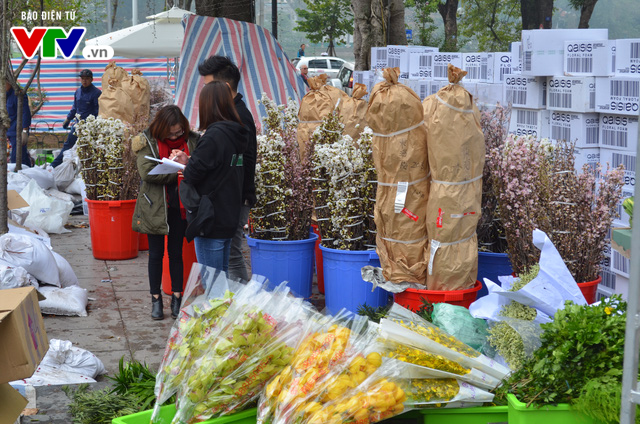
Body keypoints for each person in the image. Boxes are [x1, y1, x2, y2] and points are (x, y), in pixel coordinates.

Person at [172, 81, 248, 274]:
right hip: (229, 213)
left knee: (213, 285)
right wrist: (190, 160)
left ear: (208, 105)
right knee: (221, 280)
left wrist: (185, 166)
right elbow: (221, 166)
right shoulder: (237, 132)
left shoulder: (213, 136)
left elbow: (193, 174)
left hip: (210, 218)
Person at [131, 105, 199, 320]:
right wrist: (179, 169)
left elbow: (199, 168)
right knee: (155, 254)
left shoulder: (193, 141)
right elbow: (147, 173)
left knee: (176, 253)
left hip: (180, 206)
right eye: (171, 133)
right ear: (161, 128)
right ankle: (156, 299)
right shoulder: (146, 140)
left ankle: (176, 298)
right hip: (154, 206)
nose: (175, 135)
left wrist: (186, 164)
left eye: (179, 132)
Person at [197, 56, 256, 282]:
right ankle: (233, 306)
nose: (205, 93)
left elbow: (243, 162)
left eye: (208, 87)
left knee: (231, 255)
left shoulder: (238, 116)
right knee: (230, 254)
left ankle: (239, 307)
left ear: (226, 87)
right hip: (232, 196)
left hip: (235, 197)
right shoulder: (232, 112)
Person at [52, 69, 101, 168]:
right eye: (82, 79)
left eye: (87, 79)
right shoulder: (78, 92)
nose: (84, 81)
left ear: (92, 79)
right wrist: (68, 119)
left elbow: (99, 111)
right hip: (77, 125)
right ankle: (54, 166)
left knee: (88, 149)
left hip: (90, 127)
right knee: (68, 145)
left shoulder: (96, 93)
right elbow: (75, 107)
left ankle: (88, 170)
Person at [6, 82, 32, 167]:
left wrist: (25, 130)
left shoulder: (18, 94)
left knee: (16, 159)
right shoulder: (5, 95)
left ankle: (23, 177)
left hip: (18, 133)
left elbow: (25, 113)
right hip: (8, 132)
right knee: (22, 158)